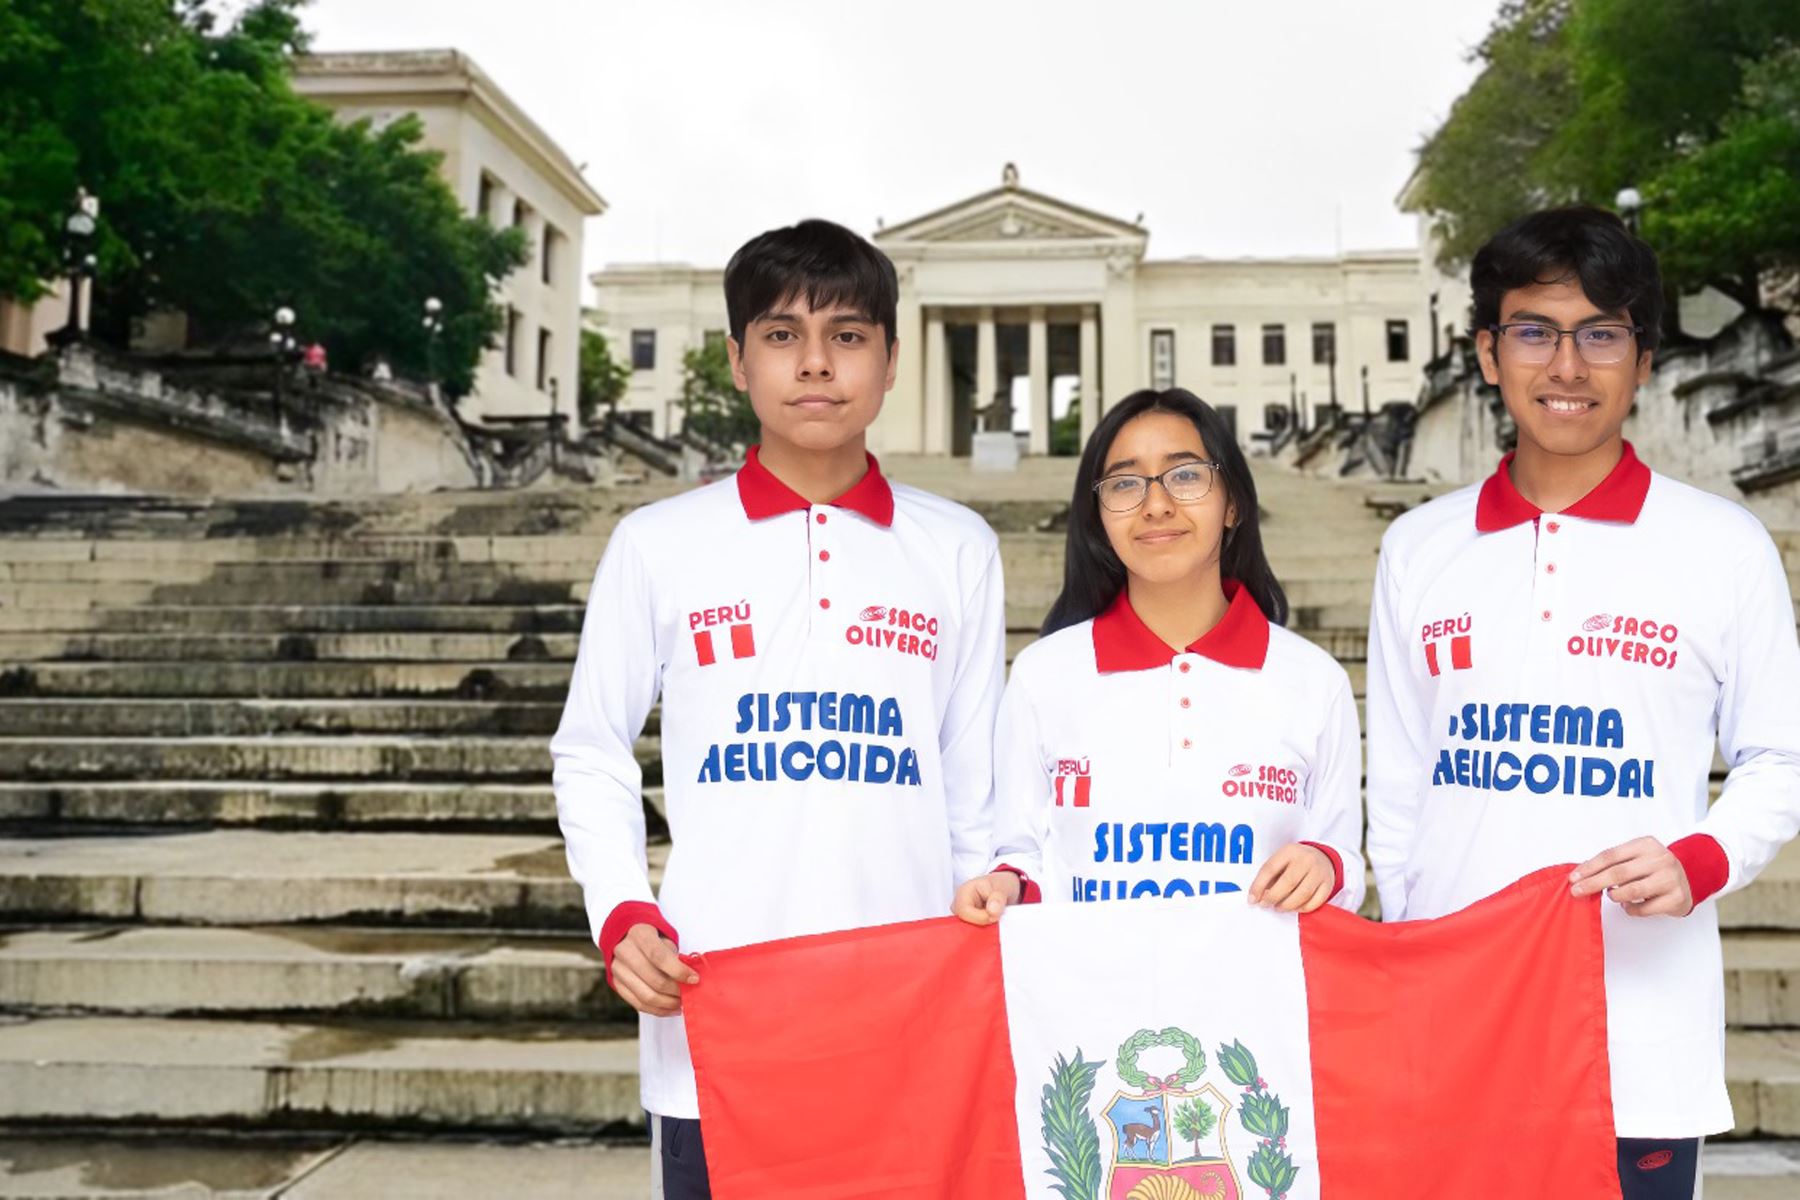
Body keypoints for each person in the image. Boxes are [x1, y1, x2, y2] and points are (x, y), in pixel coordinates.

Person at [550, 218, 1006, 1199]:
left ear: (890, 360)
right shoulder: (658, 543)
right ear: (737, 360)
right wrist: (623, 908)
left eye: (847, 336)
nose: (815, 364)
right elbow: (592, 748)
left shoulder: (957, 546)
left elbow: (975, 773)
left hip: (913, 1006)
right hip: (718, 1008)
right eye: (782, 334)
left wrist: (993, 898)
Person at [1364, 205, 1800, 1198]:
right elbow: (1397, 790)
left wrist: (1700, 858)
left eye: (1601, 333)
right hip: (1456, 1032)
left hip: (1636, 1039)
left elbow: (1782, 759)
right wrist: (1418, 965)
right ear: (1486, 351)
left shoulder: (1721, 546)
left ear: (1644, 359)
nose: (1567, 366)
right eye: (1534, 331)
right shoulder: (1419, 550)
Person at [953, 387, 1364, 923]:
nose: (1156, 504)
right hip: (1091, 997)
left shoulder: (1313, 681)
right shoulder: (1043, 675)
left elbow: (1345, 865)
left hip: (1256, 999)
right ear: (1098, 515)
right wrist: (1005, 887)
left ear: (1233, 502)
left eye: (1186, 475)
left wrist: (1326, 866)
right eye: (1125, 483)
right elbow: (1020, 853)